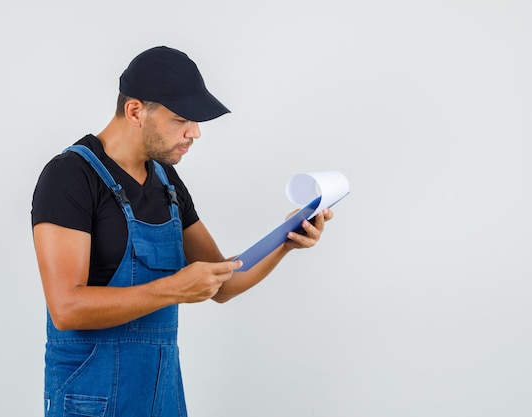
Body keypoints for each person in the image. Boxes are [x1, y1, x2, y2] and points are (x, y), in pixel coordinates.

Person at [31, 45, 333, 417]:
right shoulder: (70, 177)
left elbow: (222, 283)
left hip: (163, 400)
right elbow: (66, 308)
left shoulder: (166, 181)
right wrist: (173, 289)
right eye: (181, 119)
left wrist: (288, 238)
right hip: (91, 403)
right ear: (135, 111)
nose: (195, 133)